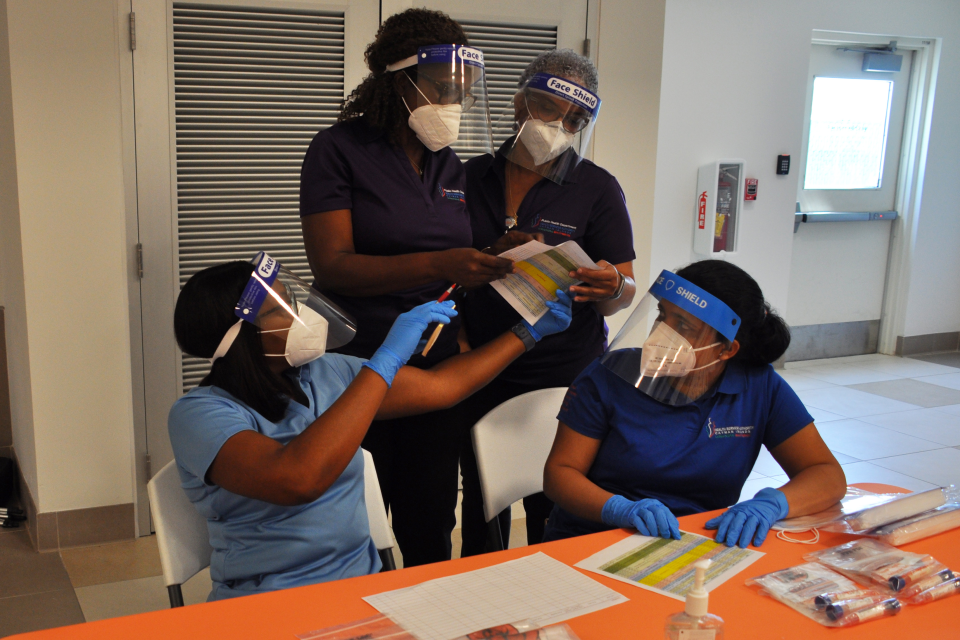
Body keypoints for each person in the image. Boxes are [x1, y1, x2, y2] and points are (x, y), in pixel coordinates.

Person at [168, 253, 572, 600]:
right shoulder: (200, 414)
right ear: (238, 336)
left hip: (360, 586)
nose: (299, 313)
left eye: (292, 298)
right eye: (279, 308)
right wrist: (383, 363)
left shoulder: (324, 373)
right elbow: (297, 478)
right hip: (267, 598)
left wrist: (529, 332)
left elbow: (442, 386)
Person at [298, 9, 509, 566]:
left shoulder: (448, 164)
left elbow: (452, 262)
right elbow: (334, 267)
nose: (452, 106)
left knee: (430, 518)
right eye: (441, 91)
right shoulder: (337, 150)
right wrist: (441, 262)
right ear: (400, 81)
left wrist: (499, 259)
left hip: (434, 363)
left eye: (460, 93)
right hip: (359, 359)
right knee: (359, 517)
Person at [455, 49, 636, 555]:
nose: (556, 125)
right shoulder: (467, 178)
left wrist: (612, 288)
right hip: (479, 366)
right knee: (482, 507)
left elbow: (624, 289)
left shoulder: (596, 189)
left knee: (554, 508)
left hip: (562, 374)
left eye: (573, 118)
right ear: (518, 103)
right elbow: (441, 266)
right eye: (546, 107)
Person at [542, 260, 847, 548]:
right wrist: (620, 509)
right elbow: (560, 474)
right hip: (594, 537)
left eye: (683, 325)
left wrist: (772, 504)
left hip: (696, 544)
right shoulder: (608, 377)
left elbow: (826, 474)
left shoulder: (758, 386)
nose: (663, 332)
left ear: (726, 349)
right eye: (662, 315)